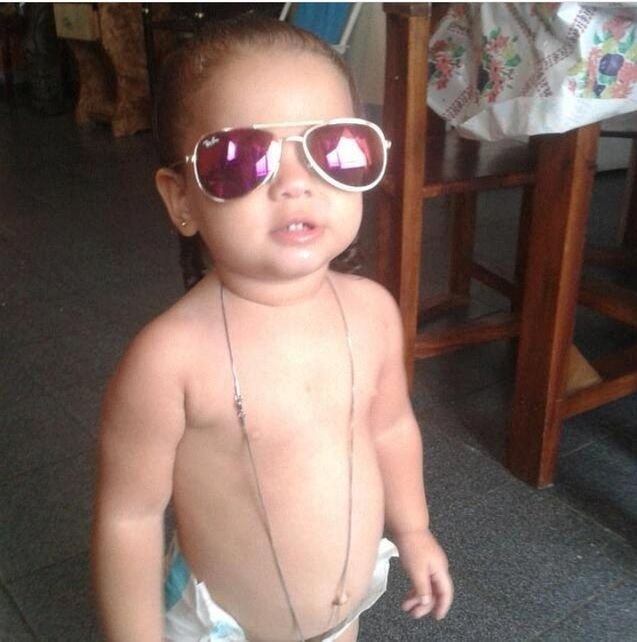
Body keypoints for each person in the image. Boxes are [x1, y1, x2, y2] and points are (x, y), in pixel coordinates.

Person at [92, 15, 453, 642]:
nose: (295, 184)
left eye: (333, 147)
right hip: (220, 628)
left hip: (343, 615)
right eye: (239, 159)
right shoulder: (170, 359)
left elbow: (391, 427)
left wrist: (414, 529)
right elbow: (129, 517)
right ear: (181, 199)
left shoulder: (373, 312)